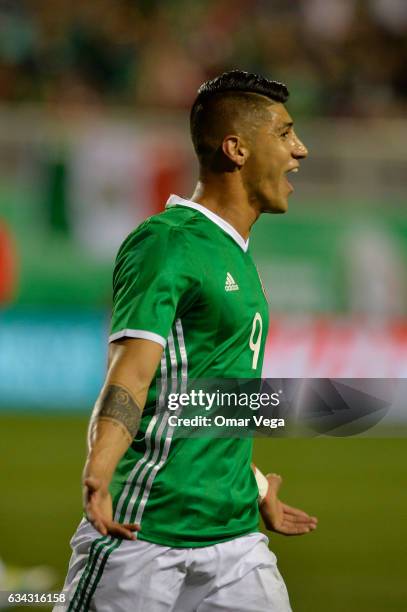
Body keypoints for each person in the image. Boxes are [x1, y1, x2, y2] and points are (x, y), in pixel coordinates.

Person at [59, 70, 316, 612]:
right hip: (144, 535)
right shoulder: (168, 243)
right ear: (236, 148)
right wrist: (99, 471)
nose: (301, 150)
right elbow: (131, 374)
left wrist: (257, 489)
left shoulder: (235, 256)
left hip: (234, 541)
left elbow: (203, 398)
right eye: (286, 134)